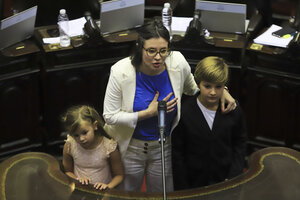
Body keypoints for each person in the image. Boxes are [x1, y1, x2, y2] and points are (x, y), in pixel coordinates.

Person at [102, 19, 236, 192]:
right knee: (126, 195)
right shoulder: (120, 71)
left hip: (163, 147)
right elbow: (110, 116)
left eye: (163, 51)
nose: (158, 57)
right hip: (130, 148)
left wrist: (221, 89)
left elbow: (194, 89)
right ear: (139, 47)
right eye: (151, 51)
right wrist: (147, 113)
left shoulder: (177, 62)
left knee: (163, 194)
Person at [172, 56, 248, 190]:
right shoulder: (185, 112)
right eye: (207, 86)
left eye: (218, 87)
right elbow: (178, 154)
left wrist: (233, 177)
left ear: (224, 86)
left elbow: (240, 144)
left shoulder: (233, 109)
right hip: (193, 183)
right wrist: (183, 187)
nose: (213, 92)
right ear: (198, 83)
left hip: (225, 180)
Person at [61, 105, 124, 190]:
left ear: (95, 125)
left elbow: (119, 175)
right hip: (79, 191)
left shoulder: (108, 146)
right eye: (76, 135)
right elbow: (67, 171)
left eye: (85, 132)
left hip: (102, 192)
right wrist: (78, 179)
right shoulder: (70, 145)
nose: (81, 139)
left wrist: (108, 186)